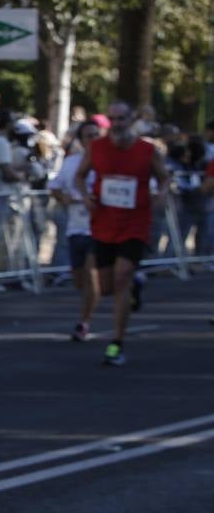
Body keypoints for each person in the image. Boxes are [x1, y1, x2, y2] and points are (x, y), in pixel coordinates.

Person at [74, 101, 170, 367]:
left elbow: (164, 178)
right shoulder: (97, 148)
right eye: (113, 119)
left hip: (135, 223)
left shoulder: (147, 150)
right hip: (104, 223)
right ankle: (136, 285)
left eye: (122, 119)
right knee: (104, 287)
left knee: (121, 278)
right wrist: (85, 197)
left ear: (131, 120)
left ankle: (116, 343)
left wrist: (160, 194)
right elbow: (80, 177)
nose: (117, 124)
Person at [50, 119, 103, 340]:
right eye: (88, 136)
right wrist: (65, 198)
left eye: (96, 135)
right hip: (76, 227)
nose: (92, 140)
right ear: (80, 140)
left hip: (100, 228)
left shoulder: (109, 162)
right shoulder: (71, 162)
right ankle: (126, 286)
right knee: (80, 280)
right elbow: (54, 188)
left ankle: (84, 322)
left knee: (91, 276)